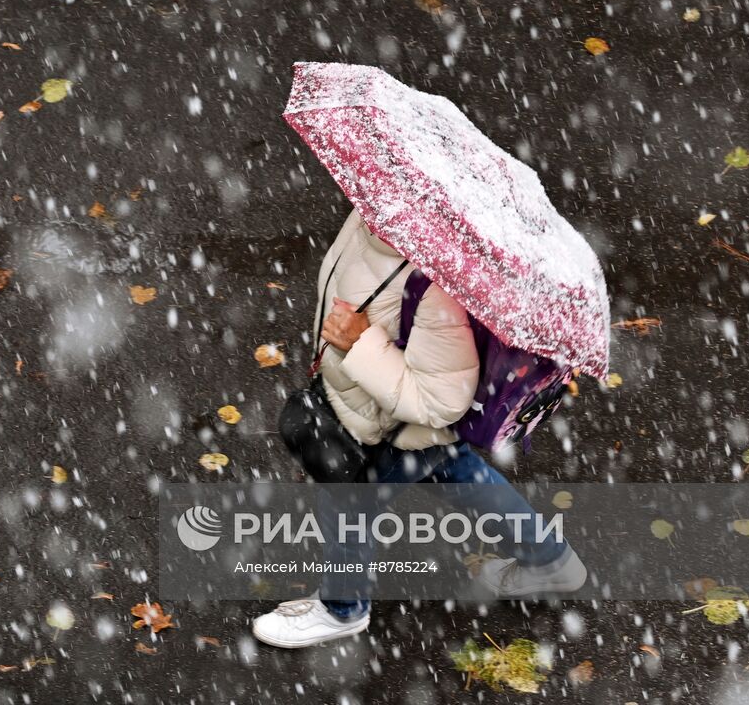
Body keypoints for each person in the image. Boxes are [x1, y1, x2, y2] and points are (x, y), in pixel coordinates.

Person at [251, 209, 587, 649]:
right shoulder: (373, 216)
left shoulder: (434, 287)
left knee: (349, 502)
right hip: (378, 411)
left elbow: (441, 400)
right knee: (459, 474)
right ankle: (550, 560)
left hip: (395, 427)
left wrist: (360, 343)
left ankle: (341, 610)